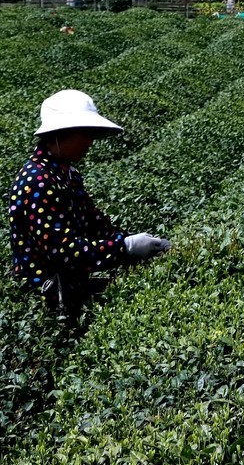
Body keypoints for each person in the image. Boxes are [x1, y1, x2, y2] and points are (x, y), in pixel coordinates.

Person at [10, 89, 170, 317]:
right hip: (49, 294)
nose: (90, 142)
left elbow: (95, 223)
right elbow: (64, 251)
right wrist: (125, 248)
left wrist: (137, 242)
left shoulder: (67, 174)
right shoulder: (36, 181)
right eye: (84, 134)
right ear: (60, 133)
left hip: (73, 284)